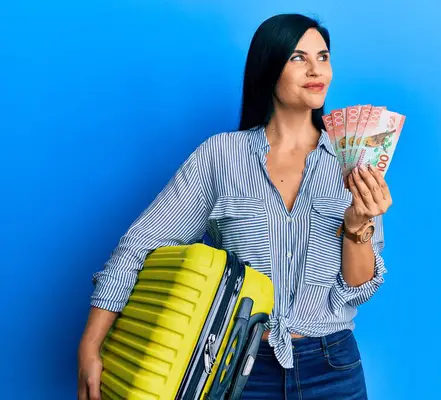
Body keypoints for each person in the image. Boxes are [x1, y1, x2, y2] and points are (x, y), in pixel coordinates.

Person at [77, 13, 391, 400]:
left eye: (323, 57)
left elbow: (358, 288)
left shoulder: (355, 158)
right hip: (238, 365)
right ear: (267, 68)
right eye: (298, 58)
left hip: (333, 366)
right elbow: (140, 247)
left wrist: (358, 227)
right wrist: (90, 345)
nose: (315, 69)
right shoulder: (221, 156)